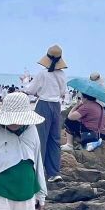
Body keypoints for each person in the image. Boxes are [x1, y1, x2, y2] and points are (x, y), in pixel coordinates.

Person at [23, 45, 67, 182]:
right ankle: (54, 172)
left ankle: (38, 170)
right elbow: (62, 92)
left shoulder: (43, 73)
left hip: (43, 105)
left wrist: (25, 81)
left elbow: (30, 90)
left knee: (40, 139)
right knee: (55, 140)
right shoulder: (62, 74)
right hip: (56, 106)